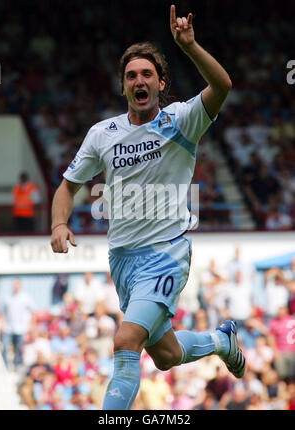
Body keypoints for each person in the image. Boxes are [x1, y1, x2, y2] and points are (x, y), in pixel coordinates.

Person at [51, 5, 245, 410]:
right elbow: (68, 186)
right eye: (131, 76)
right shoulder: (102, 134)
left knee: (125, 341)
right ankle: (220, 341)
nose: (139, 81)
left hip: (166, 253)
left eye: (146, 74)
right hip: (122, 260)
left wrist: (189, 46)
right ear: (123, 87)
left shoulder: (181, 121)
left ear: (160, 83)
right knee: (167, 356)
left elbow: (222, 85)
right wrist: (58, 223)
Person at [1, 278, 35, 369]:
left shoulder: (25, 297)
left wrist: (31, 325)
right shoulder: (7, 298)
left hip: (21, 328)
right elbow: (3, 313)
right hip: (8, 328)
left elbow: (32, 312)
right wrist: (2, 325)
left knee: (19, 348)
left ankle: (17, 366)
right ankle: (6, 366)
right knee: (5, 346)